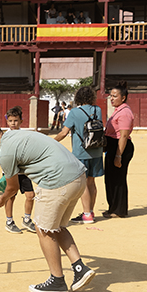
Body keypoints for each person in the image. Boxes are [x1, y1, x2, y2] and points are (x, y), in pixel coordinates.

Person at [0, 119, 95, 292]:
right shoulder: (13, 136)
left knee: (43, 228)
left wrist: (2, 199)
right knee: (56, 226)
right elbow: (1, 152)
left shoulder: (6, 153)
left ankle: (57, 281)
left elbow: (12, 188)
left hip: (57, 180)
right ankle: (80, 268)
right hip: (78, 177)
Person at [55, 87, 103, 225]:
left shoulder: (75, 112)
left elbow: (64, 132)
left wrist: (51, 141)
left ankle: (87, 214)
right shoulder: (97, 110)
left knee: (83, 184)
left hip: (81, 152)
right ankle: (90, 211)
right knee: (91, 182)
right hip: (96, 150)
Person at [1, 107, 36, 233]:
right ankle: (9, 221)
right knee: (10, 196)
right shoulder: (5, 136)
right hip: (11, 171)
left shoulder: (24, 134)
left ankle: (27, 219)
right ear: (7, 122)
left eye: (15, 120)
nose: (13, 123)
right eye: (10, 121)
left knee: (31, 195)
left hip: (24, 171)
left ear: (21, 121)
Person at [103, 83, 135, 219]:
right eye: (111, 96)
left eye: (115, 96)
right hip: (113, 146)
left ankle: (119, 210)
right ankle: (113, 208)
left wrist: (118, 155)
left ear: (123, 98)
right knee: (111, 178)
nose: (111, 99)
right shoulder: (119, 110)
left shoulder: (125, 113)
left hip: (120, 147)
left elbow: (123, 135)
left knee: (118, 179)